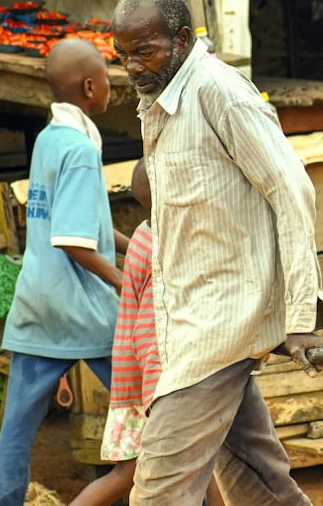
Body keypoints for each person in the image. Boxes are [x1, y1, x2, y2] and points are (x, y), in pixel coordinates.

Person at [112, 0, 323, 506]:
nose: (133, 67)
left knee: (159, 493)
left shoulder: (219, 91)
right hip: (196, 325)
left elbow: (292, 191)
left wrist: (301, 318)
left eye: (144, 52)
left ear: (183, 40)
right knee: (258, 485)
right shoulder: (161, 100)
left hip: (220, 325)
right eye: (123, 55)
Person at [0, 38, 130, 506]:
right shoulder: (82, 149)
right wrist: (122, 279)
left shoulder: (49, 138)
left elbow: (78, 222)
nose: (112, 88)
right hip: (84, 307)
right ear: (90, 87)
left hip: (38, 299)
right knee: (157, 407)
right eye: (109, 80)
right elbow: (72, 239)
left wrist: (134, 248)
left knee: (17, 425)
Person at [70, 159, 225, 506]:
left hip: (141, 383)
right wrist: (161, 393)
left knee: (202, 462)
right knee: (130, 476)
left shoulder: (144, 234)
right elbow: (149, 331)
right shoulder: (163, 251)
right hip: (154, 388)